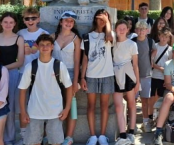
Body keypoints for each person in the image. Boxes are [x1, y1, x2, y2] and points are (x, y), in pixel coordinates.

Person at [18, 34, 73, 145]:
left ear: (52, 47)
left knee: (56, 142)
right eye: (42, 45)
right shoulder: (31, 66)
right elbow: (22, 90)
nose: (45, 47)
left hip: (55, 112)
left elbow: (69, 87)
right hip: (34, 112)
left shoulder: (59, 65)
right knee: (33, 142)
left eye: (48, 45)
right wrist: (23, 112)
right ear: (37, 46)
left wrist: (67, 109)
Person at [80, 9, 115, 145]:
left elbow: (110, 38)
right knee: (91, 106)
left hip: (107, 74)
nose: (101, 20)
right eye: (99, 17)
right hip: (91, 75)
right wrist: (82, 77)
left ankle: (102, 135)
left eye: (105, 18)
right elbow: (85, 58)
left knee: (105, 105)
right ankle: (93, 136)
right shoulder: (87, 36)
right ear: (95, 19)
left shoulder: (110, 34)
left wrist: (107, 23)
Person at [0, 13, 25, 145]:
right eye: (5, 22)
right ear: (1, 23)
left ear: (15, 24)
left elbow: (20, 61)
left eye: (11, 22)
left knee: (9, 107)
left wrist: (3, 69)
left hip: (11, 74)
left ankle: (9, 138)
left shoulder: (19, 39)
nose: (8, 24)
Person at [18, 7, 49, 142]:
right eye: (27, 18)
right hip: (22, 72)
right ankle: (24, 135)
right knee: (23, 105)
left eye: (33, 18)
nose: (30, 21)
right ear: (24, 20)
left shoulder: (44, 33)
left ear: (39, 19)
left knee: (40, 104)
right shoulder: (20, 33)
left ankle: (41, 135)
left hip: (39, 74)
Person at [53, 11, 81, 145]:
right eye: (66, 20)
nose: (69, 23)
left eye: (71, 21)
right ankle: (53, 135)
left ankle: (69, 137)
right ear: (61, 22)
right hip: (54, 74)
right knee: (55, 105)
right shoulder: (53, 37)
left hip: (69, 74)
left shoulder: (76, 39)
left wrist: (76, 81)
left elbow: (77, 62)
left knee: (71, 105)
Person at [112, 20, 140, 142]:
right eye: (119, 28)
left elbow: (135, 65)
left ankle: (131, 131)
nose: (122, 30)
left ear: (128, 29)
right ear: (115, 30)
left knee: (131, 103)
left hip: (129, 74)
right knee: (118, 106)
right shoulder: (112, 44)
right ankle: (122, 134)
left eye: (124, 28)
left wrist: (137, 82)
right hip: (116, 74)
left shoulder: (132, 44)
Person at [135, 20, 155, 132]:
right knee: (132, 100)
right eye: (139, 29)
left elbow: (155, 50)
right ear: (136, 30)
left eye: (144, 29)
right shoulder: (132, 41)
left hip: (146, 74)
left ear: (147, 30)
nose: (141, 31)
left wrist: (152, 57)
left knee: (145, 100)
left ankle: (146, 122)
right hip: (134, 75)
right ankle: (131, 124)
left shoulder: (150, 41)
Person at [150, 28, 173, 124]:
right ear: (159, 36)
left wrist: (166, 71)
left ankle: (160, 118)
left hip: (164, 77)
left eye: (166, 37)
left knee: (161, 97)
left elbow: (171, 63)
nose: (163, 39)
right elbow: (151, 62)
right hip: (154, 75)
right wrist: (160, 68)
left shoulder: (170, 49)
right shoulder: (154, 46)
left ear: (168, 38)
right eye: (162, 36)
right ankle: (151, 116)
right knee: (152, 97)